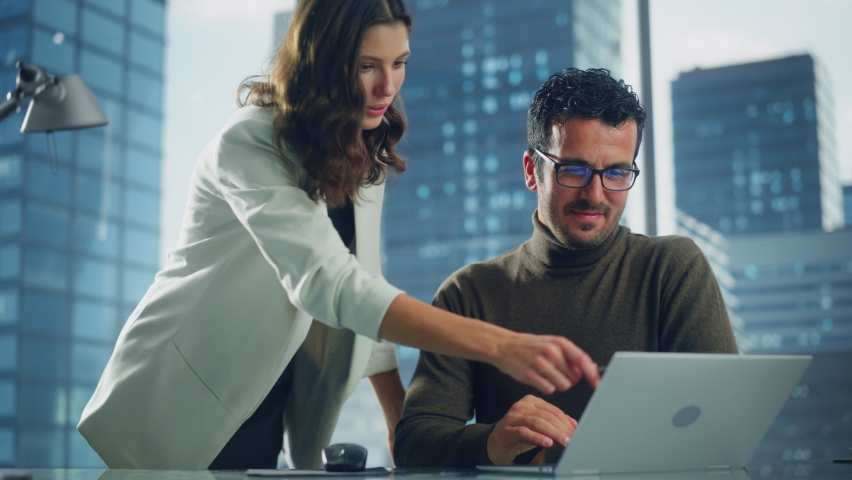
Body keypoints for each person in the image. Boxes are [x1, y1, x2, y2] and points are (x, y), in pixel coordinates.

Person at [76, 0, 601, 471]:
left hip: (261, 417)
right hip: (172, 409)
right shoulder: (249, 144)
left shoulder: (358, 151)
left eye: (399, 63)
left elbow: (363, 283)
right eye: (367, 66)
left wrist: (399, 417)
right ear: (321, 61)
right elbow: (327, 283)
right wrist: (498, 345)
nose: (387, 86)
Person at [393, 68, 739, 468]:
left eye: (617, 173)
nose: (596, 195)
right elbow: (413, 444)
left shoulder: (672, 270)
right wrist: (491, 442)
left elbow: (723, 432)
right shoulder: (469, 293)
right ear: (531, 170)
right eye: (574, 170)